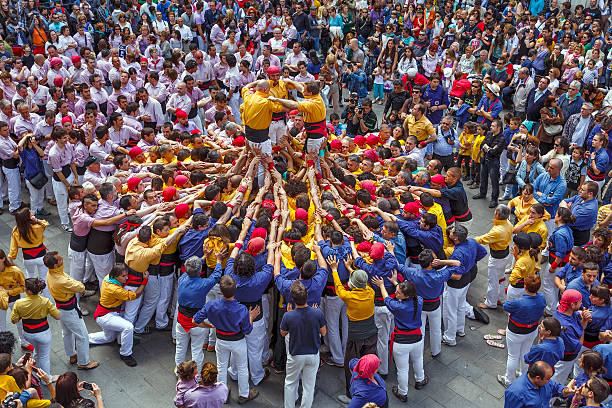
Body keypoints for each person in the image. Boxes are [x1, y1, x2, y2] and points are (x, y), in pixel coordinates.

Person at [192, 275, 260, 404]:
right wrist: (251, 317)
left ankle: (222, 394)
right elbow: (248, 331)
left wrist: (209, 325)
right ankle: (244, 394)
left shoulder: (212, 305)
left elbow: (195, 320)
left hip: (221, 340)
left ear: (221, 290)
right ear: (236, 288)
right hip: (238, 342)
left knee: (222, 367)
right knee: (242, 367)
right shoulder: (242, 309)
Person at [326, 256, 376, 405]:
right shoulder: (371, 293)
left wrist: (335, 270)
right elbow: (362, 282)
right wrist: (350, 269)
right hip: (372, 335)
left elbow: (339, 288)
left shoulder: (349, 296)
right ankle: (369, 388)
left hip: (355, 339)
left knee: (351, 365)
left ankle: (351, 394)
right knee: (368, 365)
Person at [371, 274, 427, 402]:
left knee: (402, 369)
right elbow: (405, 293)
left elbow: (386, 298)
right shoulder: (419, 300)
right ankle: (420, 380)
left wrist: (381, 285)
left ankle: (402, 392)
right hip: (417, 338)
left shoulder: (398, 306)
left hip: (401, 342)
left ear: (406, 296)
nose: (396, 293)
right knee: (418, 360)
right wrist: (396, 283)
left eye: (398, 293)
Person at [43, 251, 98, 371]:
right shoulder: (62, 280)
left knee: (67, 333)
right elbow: (81, 287)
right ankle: (84, 362)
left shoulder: (51, 274)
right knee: (82, 336)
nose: (62, 258)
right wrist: (75, 283)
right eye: (60, 259)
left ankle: (72, 355)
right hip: (70, 310)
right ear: (56, 265)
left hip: (61, 308)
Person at [88, 264, 148, 367]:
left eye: (127, 275)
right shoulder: (114, 289)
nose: (127, 278)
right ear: (116, 276)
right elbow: (135, 295)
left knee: (109, 338)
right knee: (128, 327)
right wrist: (144, 281)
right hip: (106, 316)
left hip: (105, 313)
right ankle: (125, 354)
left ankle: (83, 339)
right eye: (123, 276)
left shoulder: (108, 277)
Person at [280, 280, 327, 408]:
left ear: (293, 300)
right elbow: (323, 332)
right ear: (307, 296)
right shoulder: (317, 313)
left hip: (295, 355)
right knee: (309, 387)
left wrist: (288, 314)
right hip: (312, 354)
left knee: (290, 383)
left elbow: (283, 333)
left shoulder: (288, 316)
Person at [175, 255, 222, 373]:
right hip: (197, 323)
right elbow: (216, 276)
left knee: (180, 348)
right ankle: (196, 375)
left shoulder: (182, 278)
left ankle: (179, 372)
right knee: (196, 350)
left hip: (181, 321)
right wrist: (219, 261)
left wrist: (205, 256)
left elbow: (190, 268)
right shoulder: (203, 284)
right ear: (200, 271)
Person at [497, 274, 546, 387]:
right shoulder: (542, 298)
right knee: (526, 353)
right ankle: (524, 375)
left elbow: (506, 306)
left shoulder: (518, 303)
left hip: (515, 331)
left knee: (513, 356)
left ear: (525, 286)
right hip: (532, 330)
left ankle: (508, 380)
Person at [10, 278, 59, 379]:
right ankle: (47, 378)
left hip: (28, 334)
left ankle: (34, 371)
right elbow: (57, 316)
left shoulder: (19, 303)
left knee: (37, 350)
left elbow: (14, 320)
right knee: (44, 356)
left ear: (28, 291)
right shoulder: (45, 301)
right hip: (43, 333)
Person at [475, 204, 513, 309]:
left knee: (493, 280)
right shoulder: (508, 223)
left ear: (497, 214)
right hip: (505, 254)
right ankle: (500, 298)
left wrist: (470, 239)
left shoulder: (497, 231)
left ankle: (491, 302)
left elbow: (483, 239)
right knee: (500, 277)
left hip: (497, 258)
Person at [551, 289, 592, 383]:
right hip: (564, 359)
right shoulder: (565, 326)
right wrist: (583, 329)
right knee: (557, 380)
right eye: (580, 302)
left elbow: (577, 313)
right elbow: (578, 345)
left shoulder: (562, 309)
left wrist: (583, 316)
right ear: (572, 305)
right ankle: (553, 397)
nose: (581, 304)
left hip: (563, 355)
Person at [9, 208, 50, 297]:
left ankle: (31, 297)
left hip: (28, 258)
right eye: (30, 211)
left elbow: (13, 247)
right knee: (44, 279)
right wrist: (36, 220)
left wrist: (11, 260)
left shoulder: (16, 230)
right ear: (28, 217)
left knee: (30, 276)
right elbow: (45, 224)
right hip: (41, 256)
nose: (32, 211)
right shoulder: (37, 227)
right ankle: (47, 300)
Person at [504, 361, 577, 407]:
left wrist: (567, 391)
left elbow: (556, 388)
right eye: (548, 378)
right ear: (538, 378)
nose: (549, 381)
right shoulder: (515, 393)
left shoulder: (544, 382)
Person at [472, 119, 506, 208]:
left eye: (493, 126)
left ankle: (494, 200)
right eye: (491, 125)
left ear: (499, 128)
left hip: (494, 162)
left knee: (494, 181)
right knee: (483, 178)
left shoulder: (502, 138)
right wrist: (489, 148)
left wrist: (488, 148)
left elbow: (495, 151)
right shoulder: (489, 134)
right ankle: (482, 193)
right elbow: (482, 145)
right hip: (485, 159)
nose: (491, 127)